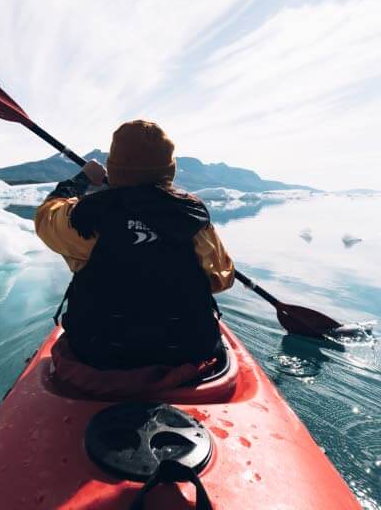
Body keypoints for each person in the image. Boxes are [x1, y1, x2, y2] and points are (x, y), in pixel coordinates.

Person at [35, 120, 235, 394]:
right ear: (169, 171)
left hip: (96, 358)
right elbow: (221, 279)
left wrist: (81, 182)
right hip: (184, 358)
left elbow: (46, 217)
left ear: (114, 169)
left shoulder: (86, 217)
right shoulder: (193, 219)